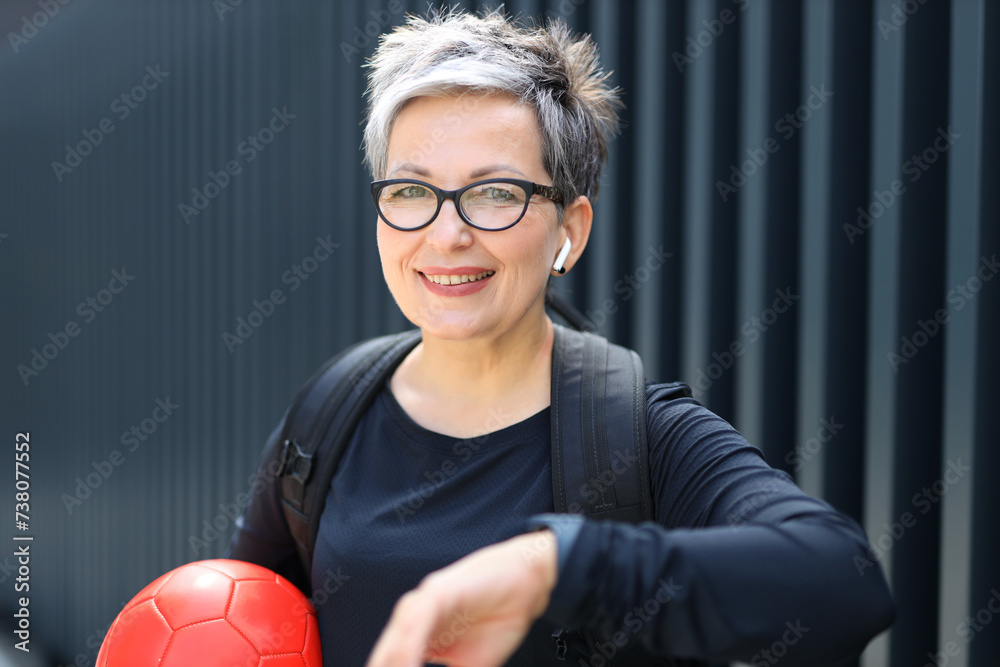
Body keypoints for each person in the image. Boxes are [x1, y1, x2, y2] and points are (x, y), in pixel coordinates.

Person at [228, 8, 894, 667]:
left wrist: (558, 564)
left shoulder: (638, 438)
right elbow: (234, 618)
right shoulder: (331, 413)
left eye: (494, 192)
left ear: (570, 230)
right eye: (410, 190)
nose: (446, 234)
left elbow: (845, 580)